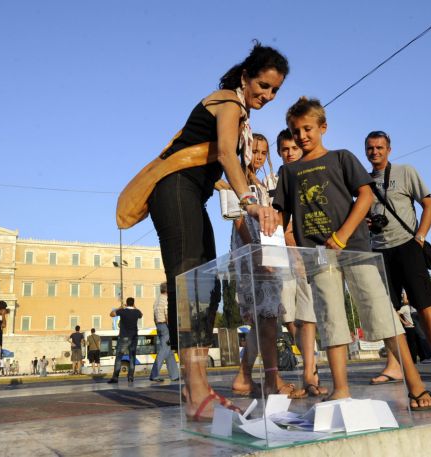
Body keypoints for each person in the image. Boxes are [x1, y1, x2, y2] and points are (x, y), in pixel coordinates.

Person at [129, 41, 288, 420]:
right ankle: (195, 388)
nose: (267, 95)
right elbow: (225, 154)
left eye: (274, 90)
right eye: (263, 85)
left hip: (190, 192)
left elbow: (224, 163)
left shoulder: (241, 114)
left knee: (206, 285)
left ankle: (195, 386)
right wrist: (250, 203)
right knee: (190, 281)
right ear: (246, 76)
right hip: (175, 187)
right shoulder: (229, 103)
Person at [272, 97, 431, 410]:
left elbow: (365, 195)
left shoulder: (341, 157)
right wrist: (264, 222)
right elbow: (281, 215)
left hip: (356, 250)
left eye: (308, 128)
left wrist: (342, 235)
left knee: (381, 314)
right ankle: (341, 389)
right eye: (296, 130)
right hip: (317, 257)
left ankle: (415, 383)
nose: (302, 135)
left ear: (322, 127)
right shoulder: (288, 172)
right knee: (331, 320)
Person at [364, 130, 431, 383]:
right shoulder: (365, 181)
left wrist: (420, 237)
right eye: (370, 148)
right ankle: (394, 365)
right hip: (379, 250)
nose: (375, 152)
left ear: (389, 149)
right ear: (365, 150)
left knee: (423, 306)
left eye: (380, 148)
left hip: (407, 245)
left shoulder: (405, 171)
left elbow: (429, 205)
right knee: (387, 311)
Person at [222, 134, 305, 399]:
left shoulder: (264, 182)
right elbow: (237, 220)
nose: (258, 156)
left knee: (265, 319)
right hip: (253, 254)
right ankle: (272, 380)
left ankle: (244, 377)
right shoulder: (238, 180)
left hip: (270, 250)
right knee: (267, 319)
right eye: (253, 151)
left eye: (262, 152)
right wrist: (255, 253)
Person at [273, 128, 327, 397]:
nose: (290, 153)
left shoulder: (311, 176)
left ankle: (310, 371)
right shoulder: (277, 181)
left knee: (309, 315)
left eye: (294, 148)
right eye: (284, 149)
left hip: (308, 257)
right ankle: (308, 363)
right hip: (283, 261)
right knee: (288, 316)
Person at [107, 297, 143, 384]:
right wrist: (134, 306)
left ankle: (115, 377)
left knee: (119, 357)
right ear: (133, 303)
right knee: (132, 357)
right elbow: (141, 315)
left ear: (126, 303)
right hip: (134, 337)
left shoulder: (123, 311)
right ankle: (130, 377)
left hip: (124, 337)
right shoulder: (136, 312)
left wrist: (120, 307)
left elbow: (111, 314)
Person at [149, 282, 180, 382]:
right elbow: (167, 314)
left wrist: (158, 325)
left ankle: (174, 375)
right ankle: (154, 375)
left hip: (159, 325)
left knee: (169, 351)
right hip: (165, 326)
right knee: (163, 350)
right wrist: (172, 327)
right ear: (167, 290)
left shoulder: (157, 300)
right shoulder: (166, 299)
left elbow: (154, 315)